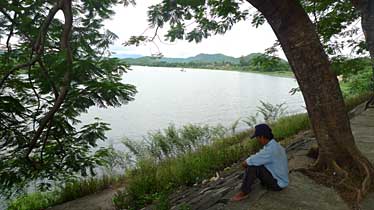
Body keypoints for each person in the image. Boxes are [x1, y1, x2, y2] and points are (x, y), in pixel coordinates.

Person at [231, 123, 289, 201]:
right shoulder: (275, 146)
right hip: (281, 179)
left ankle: (244, 192)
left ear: (262, 137)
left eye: (257, 138)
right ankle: (250, 184)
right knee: (255, 163)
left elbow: (247, 163)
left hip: (278, 184)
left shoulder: (270, 150)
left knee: (252, 167)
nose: (257, 140)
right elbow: (258, 156)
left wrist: (245, 165)